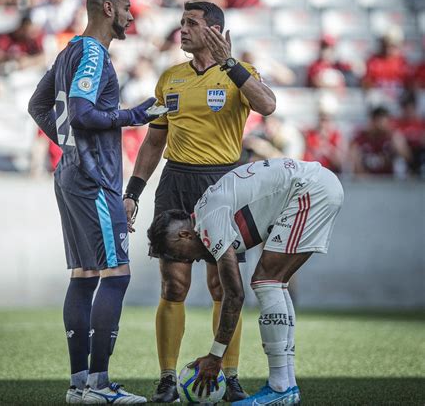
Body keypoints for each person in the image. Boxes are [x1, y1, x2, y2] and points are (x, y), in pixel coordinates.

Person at [123, 1, 276, 402]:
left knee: (221, 285)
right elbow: (155, 140)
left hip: (224, 184)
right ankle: (168, 379)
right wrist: (133, 192)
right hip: (175, 183)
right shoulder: (169, 78)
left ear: (214, 31)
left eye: (191, 23)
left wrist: (231, 65)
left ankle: (230, 373)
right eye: (181, 23)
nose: (182, 30)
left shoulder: (239, 74)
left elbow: (268, 105)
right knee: (173, 284)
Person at [28, 0, 165, 404]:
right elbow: (85, 113)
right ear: (108, 8)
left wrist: (69, 145)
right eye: (126, 9)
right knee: (116, 275)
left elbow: (37, 105)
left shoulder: (69, 51)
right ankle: (100, 386)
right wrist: (135, 114)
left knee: (85, 275)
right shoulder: (91, 52)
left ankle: (79, 386)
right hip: (93, 178)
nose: (130, 16)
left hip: (69, 173)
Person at [147, 157, 344, 405]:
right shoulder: (205, 212)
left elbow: (234, 294)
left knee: (267, 281)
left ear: (185, 234)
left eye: (178, 253)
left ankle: (281, 387)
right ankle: (286, 384)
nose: (187, 261)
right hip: (314, 186)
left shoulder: (209, 221)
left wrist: (215, 357)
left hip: (310, 190)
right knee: (273, 282)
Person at [350, 106, 411, 176]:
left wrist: (397, 140)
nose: (383, 125)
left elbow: (407, 157)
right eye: (381, 122)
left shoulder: (392, 137)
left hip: (389, 181)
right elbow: (354, 162)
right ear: (373, 121)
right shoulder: (360, 138)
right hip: (367, 181)